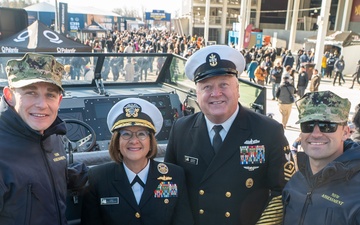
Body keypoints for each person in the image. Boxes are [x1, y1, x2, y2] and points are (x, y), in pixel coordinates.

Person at [164, 45, 293, 225]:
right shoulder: (181, 129)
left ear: (238, 89)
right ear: (197, 92)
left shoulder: (268, 131)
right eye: (207, 87)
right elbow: (168, 186)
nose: (216, 94)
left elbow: (284, 191)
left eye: (224, 84)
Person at [0, 53, 87, 224]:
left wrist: (66, 177)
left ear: (59, 101)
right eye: (31, 92)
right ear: (9, 96)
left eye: (50, 95)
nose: (42, 104)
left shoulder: (52, 136)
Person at [81, 98, 194, 225]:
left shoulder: (175, 175)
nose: (134, 141)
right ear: (117, 142)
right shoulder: (98, 178)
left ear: (151, 142)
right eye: (126, 134)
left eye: (141, 134)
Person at [282, 91, 360, 224]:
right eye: (308, 125)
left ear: (346, 132)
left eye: (327, 126)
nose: (316, 134)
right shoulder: (294, 180)